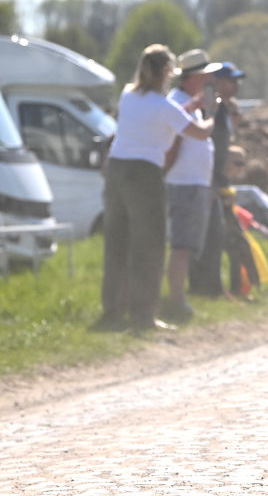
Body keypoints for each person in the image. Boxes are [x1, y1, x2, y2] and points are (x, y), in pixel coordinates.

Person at [93, 44, 212, 333]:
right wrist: (213, 113)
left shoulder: (128, 95)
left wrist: (188, 108)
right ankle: (144, 316)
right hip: (144, 174)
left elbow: (158, 118)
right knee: (149, 247)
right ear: (166, 72)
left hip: (117, 171)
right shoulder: (163, 106)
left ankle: (113, 312)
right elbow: (199, 132)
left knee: (118, 244)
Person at [163, 48, 222, 323]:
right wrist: (208, 113)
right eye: (206, 75)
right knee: (182, 246)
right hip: (183, 183)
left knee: (186, 245)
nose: (210, 80)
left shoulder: (190, 103)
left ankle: (178, 297)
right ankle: (176, 300)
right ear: (194, 77)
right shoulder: (178, 102)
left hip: (192, 183)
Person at [189, 60, 246, 298]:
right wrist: (212, 179)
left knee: (217, 234)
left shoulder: (221, 107)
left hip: (217, 177)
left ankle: (212, 287)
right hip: (207, 177)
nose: (236, 86)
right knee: (211, 234)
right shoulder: (209, 105)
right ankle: (208, 288)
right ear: (216, 81)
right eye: (231, 81)